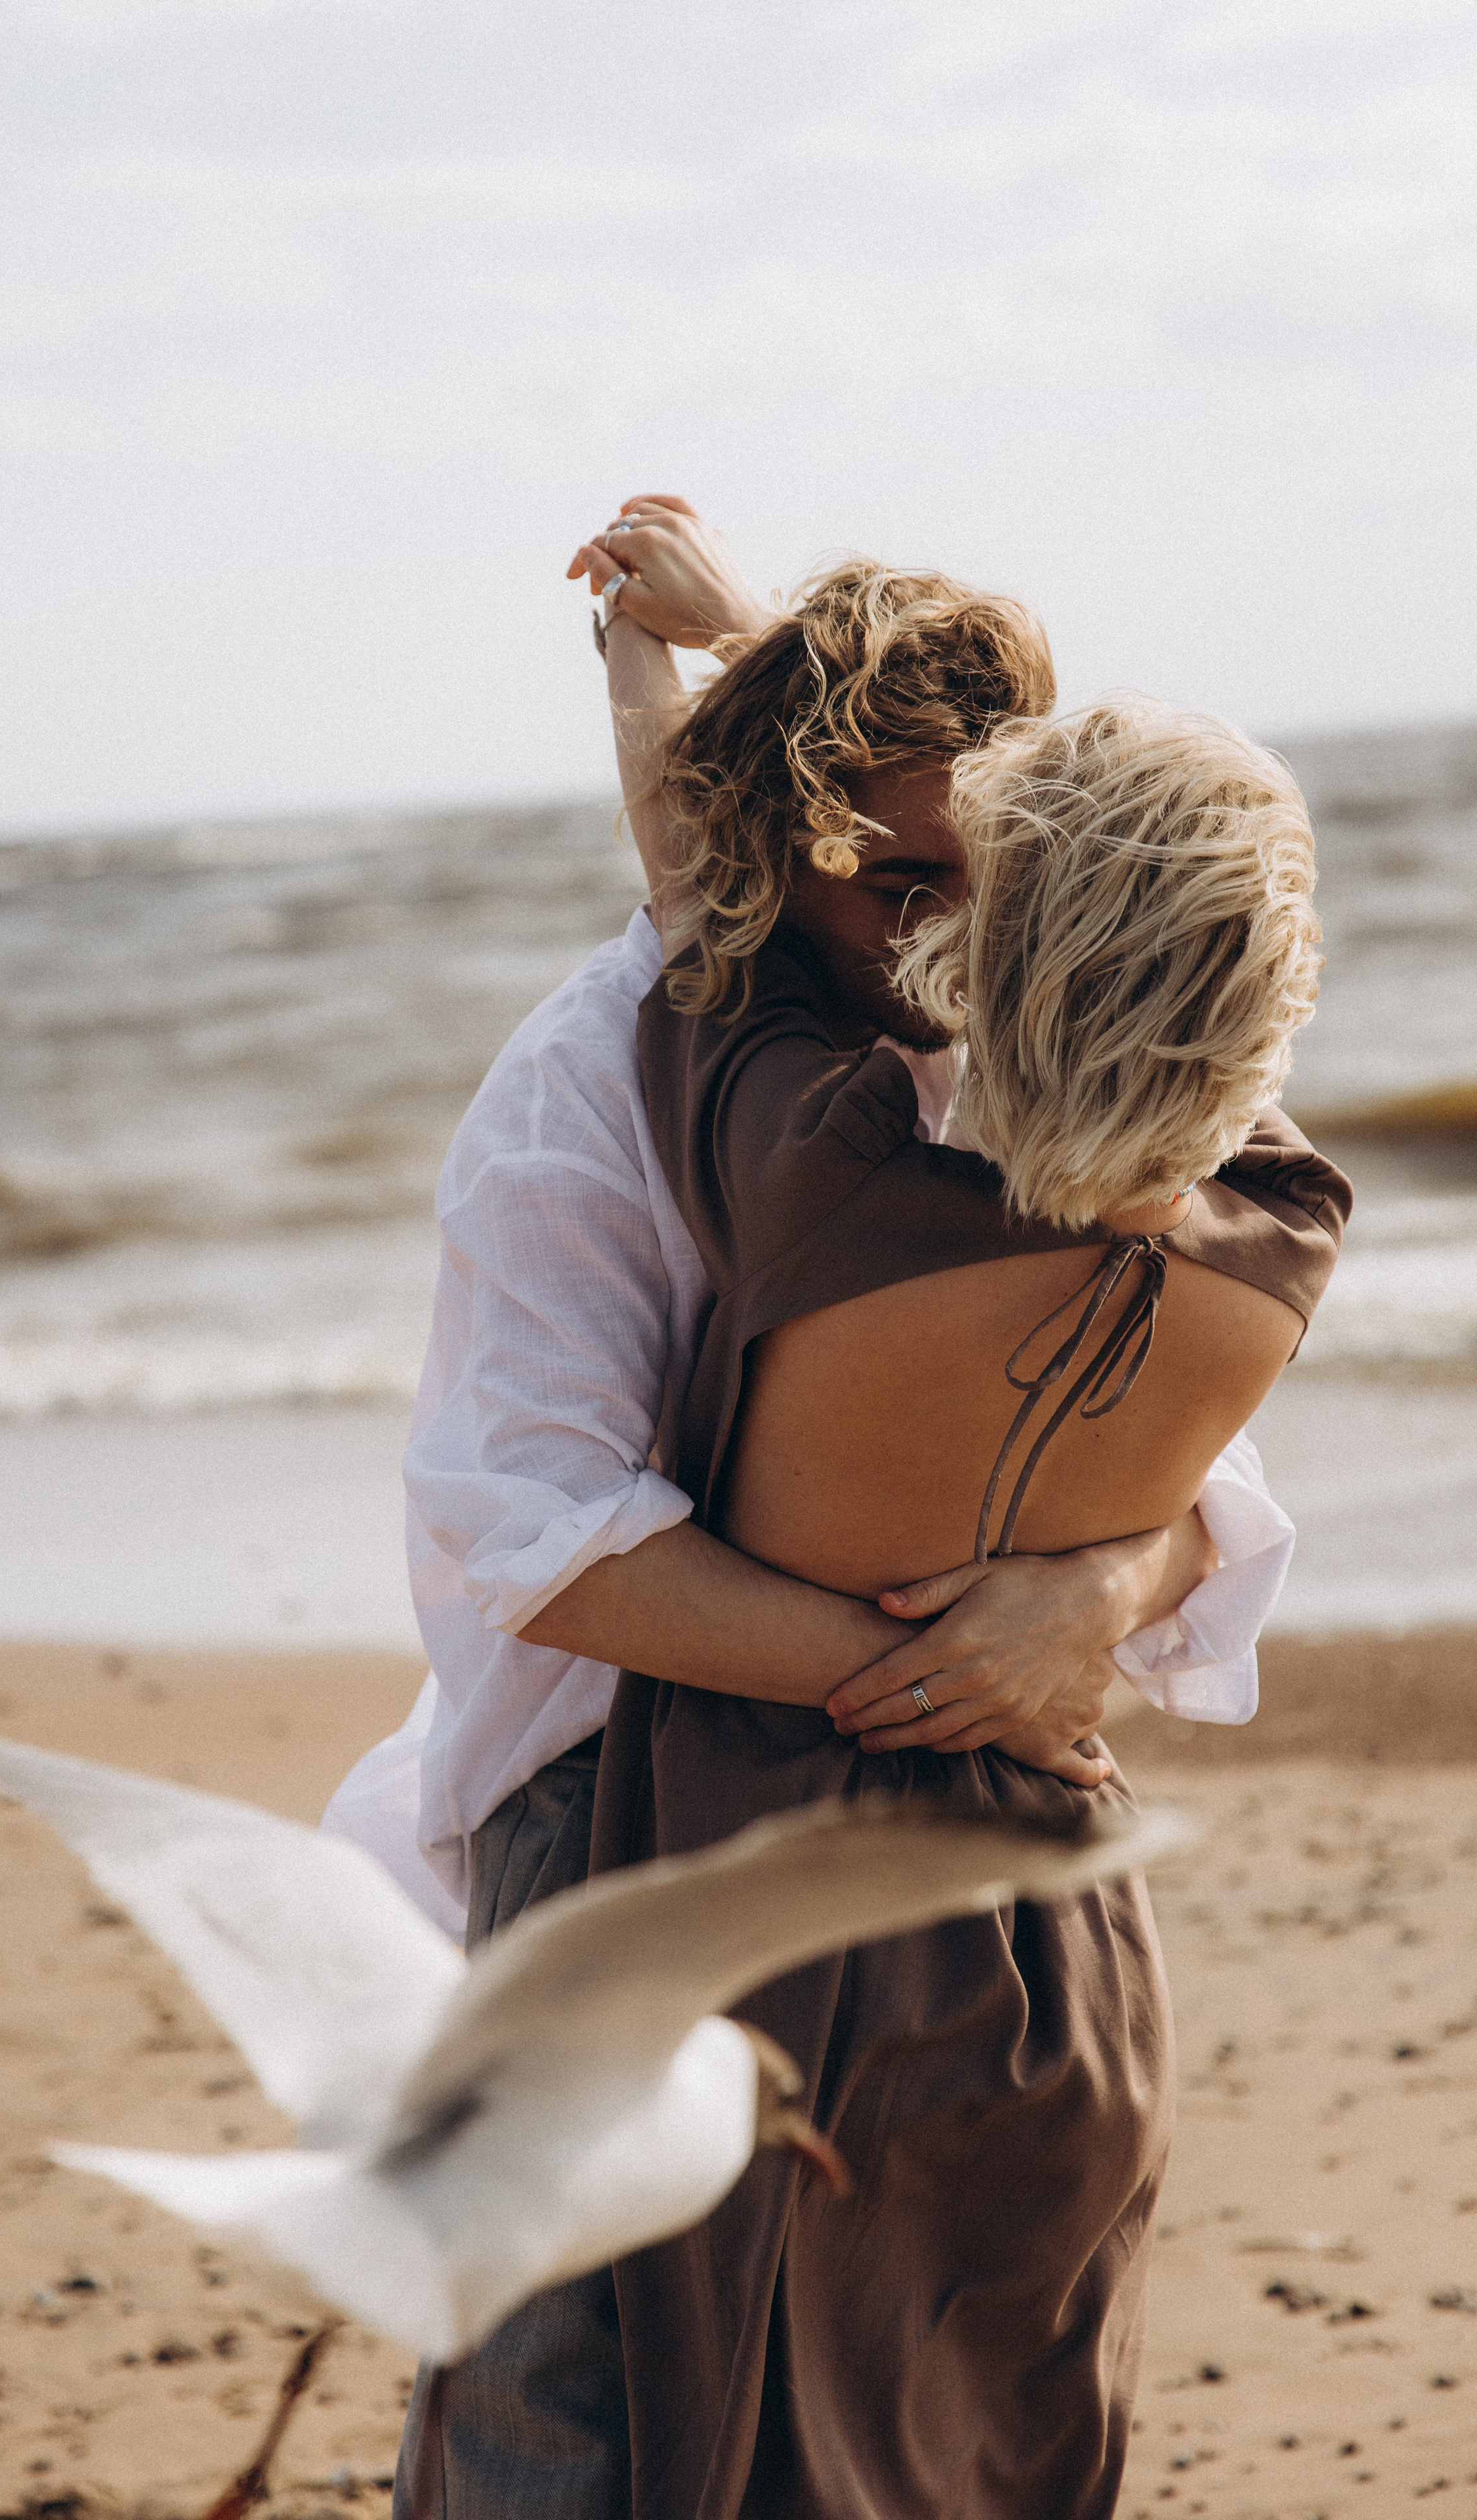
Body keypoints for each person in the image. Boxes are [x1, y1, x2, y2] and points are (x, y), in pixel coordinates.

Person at [328, 503, 1301, 2519]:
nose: (943, 931)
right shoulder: (593, 1080)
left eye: (993, 874)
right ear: (780, 847)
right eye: (890, 879)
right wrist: (938, 1666)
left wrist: (1095, 1587)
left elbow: (1209, 1473)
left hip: (968, 1841)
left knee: (945, 2393)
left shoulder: (1012, 1044)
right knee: (562, 2398)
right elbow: (538, 1534)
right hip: (612, 1812)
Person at [585, 594, 1351, 2517]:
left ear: (983, 929)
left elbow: (711, 876)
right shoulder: (1285, 1234)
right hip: (1073, 1926)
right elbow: (1168, 1053)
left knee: (764, 2465)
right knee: (1019, 2463)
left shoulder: (817, 1167)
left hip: (789, 1918)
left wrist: (656, 663)